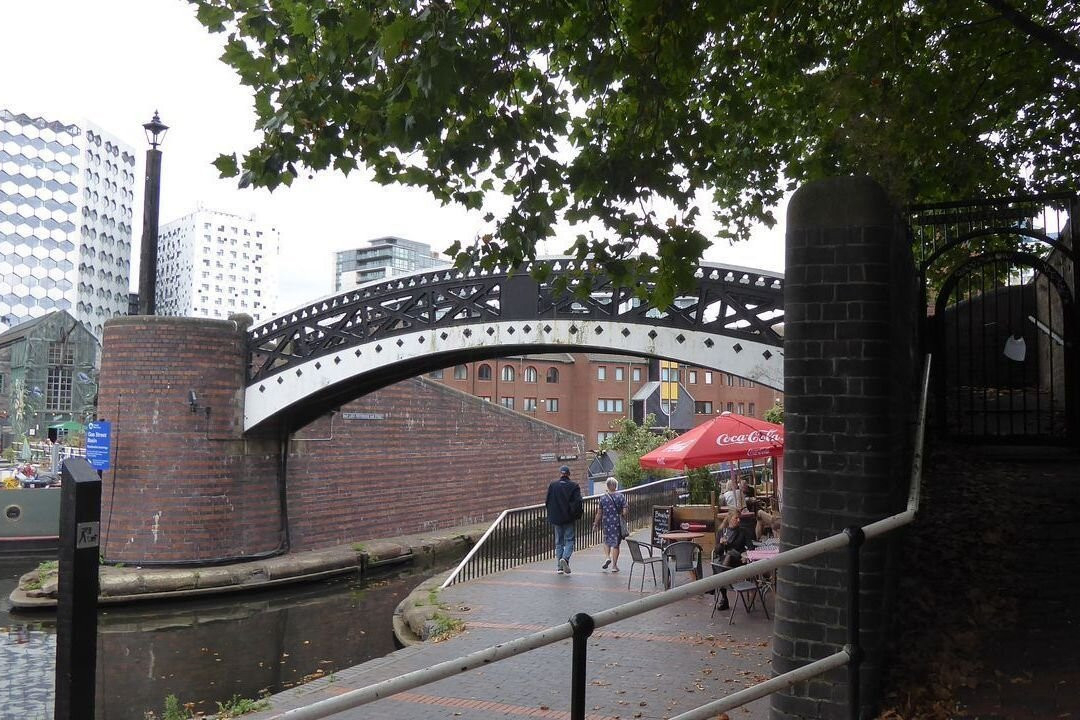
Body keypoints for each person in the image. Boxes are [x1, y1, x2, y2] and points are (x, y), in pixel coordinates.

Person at [713, 509, 755, 611]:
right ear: (729, 519)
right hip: (724, 561)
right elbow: (717, 552)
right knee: (720, 561)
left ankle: (714, 585)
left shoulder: (743, 531)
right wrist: (721, 544)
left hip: (738, 560)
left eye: (739, 518)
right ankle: (724, 597)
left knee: (728, 556)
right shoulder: (722, 531)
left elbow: (751, 547)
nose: (739, 520)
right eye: (736, 518)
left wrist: (745, 555)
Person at [546, 465, 583, 574]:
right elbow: (578, 502)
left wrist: (551, 514)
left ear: (560, 474)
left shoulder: (553, 485)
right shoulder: (574, 486)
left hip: (556, 518)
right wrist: (577, 515)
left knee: (559, 542)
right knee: (569, 540)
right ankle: (565, 558)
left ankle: (559, 567)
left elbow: (547, 501)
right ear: (569, 474)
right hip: (569, 518)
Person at [593, 476, 628, 572]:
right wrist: (622, 514)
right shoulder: (620, 496)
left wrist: (595, 524)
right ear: (616, 485)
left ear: (607, 486)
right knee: (616, 545)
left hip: (606, 522)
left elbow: (599, 513)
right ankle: (614, 566)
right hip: (617, 523)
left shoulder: (603, 498)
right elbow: (625, 511)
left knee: (606, 540)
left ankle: (607, 557)